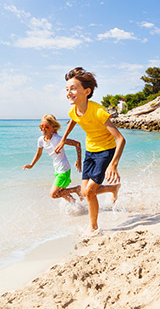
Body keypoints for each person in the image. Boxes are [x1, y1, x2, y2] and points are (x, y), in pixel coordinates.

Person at [55, 67, 126, 236]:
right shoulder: (73, 110)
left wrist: (113, 165)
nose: (69, 92)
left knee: (88, 192)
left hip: (106, 151)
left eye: (73, 88)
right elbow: (74, 119)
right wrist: (64, 139)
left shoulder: (98, 111)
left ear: (86, 91)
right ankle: (112, 188)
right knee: (85, 191)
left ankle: (93, 227)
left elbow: (121, 139)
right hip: (90, 151)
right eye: (67, 89)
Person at [23, 114, 83, 203]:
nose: (43, 129)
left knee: (53, 194)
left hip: (64, 170)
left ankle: (76, 189)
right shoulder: (41, 140)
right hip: (57, 169)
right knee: (62, 193)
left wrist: (78, 160)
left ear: (53, 128)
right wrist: (31, 165)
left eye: (46, 127)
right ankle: (76, 206)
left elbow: (77, 144)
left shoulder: (58, 139)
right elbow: (38, 153)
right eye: (41, 126)